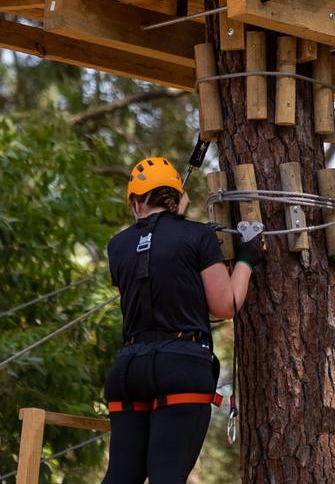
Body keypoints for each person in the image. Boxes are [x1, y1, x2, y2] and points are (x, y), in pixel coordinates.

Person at [102, 155, 263, 484]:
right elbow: (226, 305)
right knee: (166, 476)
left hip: (128, 370)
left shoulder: (116, 246)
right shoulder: (197, 237)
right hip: (181, 366)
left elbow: (134, 292)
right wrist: (246, 258)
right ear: (176, 198)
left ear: (135, 203)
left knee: (121, 477)